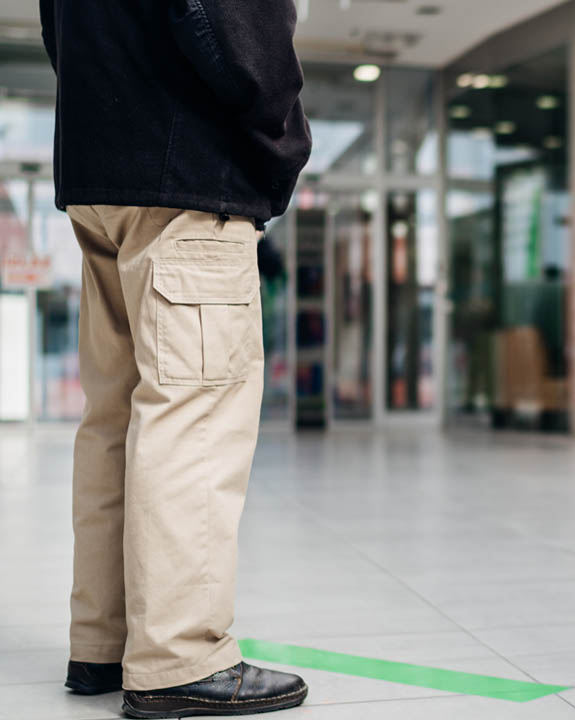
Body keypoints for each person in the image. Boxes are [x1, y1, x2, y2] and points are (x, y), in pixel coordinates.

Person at [39, 0, 313, 716]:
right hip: (189, 174)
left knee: (113, 420)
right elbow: (233, 22)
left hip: (100, 175)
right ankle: (178, 657)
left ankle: (103, 642)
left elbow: (54, 29)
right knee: (195, 415)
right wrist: (281, 141)